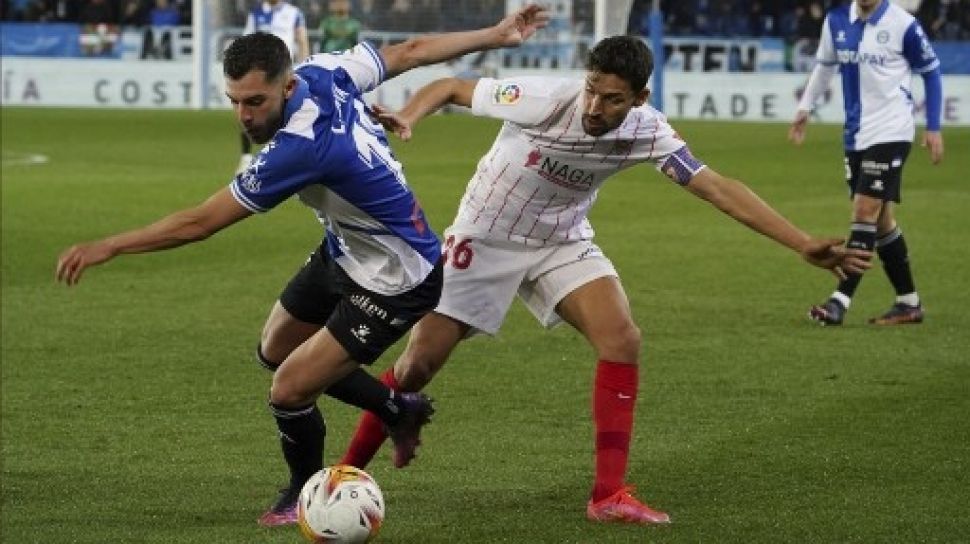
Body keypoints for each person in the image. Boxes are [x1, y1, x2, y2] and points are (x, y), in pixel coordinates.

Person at [336, 35, 873, 525]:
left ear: (639, 98)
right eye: (592, 90)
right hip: (486, 235)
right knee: (416, 367)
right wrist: (410, 113)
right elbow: (452, 86)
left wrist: (802, 243)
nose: (595, 107)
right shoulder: (542, 98)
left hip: (561, 240)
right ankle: (343, 475)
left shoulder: (648, 129)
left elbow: (715, 187)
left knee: (622, 339)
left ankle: (608, 495)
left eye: (612, 99)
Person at [55, 4, 550, 527]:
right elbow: (409, 53)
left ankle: (302, 496)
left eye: (255, 102)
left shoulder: (300, 147)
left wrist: (110, 245)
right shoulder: (325, 71)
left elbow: (198, 223)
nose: (244, 117)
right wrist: (495, 35)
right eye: (234, 102)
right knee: (274, 350)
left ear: (287, 89)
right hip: (348, 248)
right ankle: (396, 410)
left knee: (289, 389)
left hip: (397, 278)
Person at [789, 0, 944, 326]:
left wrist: (933, 127)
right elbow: (824, 66)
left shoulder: (902, 23)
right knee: (883, 221)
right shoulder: (835, 21)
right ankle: (909, 302)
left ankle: (838, 303)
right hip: (856, 136)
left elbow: (931, 72)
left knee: (863, 212)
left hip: (892, 131)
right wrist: (805, 106)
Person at [237, 0, 312, 175]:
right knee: (246, 109)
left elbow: (302, 41)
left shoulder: (294, 13)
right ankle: (246, 156)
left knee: (284, 112)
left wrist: (305, 66)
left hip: (283, 71)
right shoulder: (255, 13)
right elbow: (246, 40)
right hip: (258, 71)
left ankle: (283, 157)